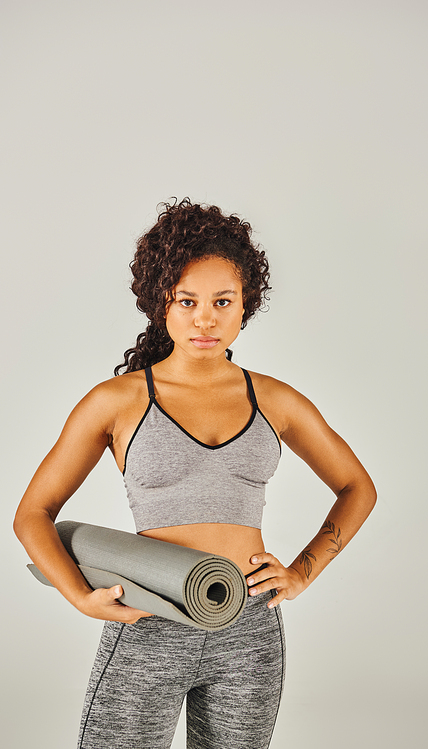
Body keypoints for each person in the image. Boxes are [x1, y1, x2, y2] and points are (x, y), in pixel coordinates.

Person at [14, 198, 377, 749]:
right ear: (161, 303)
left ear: (244, 306)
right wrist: (78, 597)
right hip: (148, 622)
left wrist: (303, 571)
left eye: (222, 302)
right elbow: (32, 514)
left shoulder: (276, 400)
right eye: (187, 301)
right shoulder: (116, 401)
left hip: (249, 626)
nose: (205, 319)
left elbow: (358, 487)